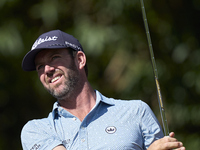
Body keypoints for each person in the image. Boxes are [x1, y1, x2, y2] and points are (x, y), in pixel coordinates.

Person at [21, 30, 185, 150]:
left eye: (54, 58)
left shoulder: (136, 112)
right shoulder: (36, 130)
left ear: (79, 60)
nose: (47, 70)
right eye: (40, 67)